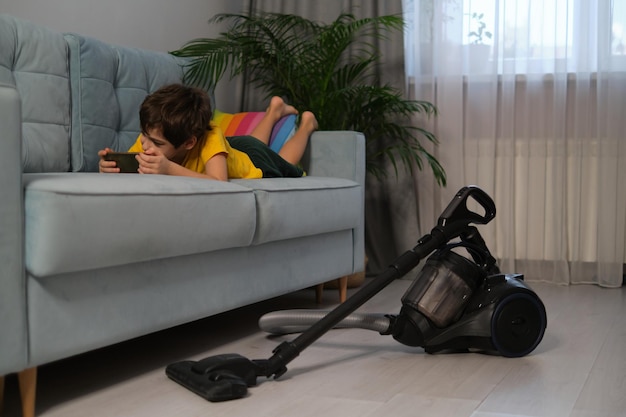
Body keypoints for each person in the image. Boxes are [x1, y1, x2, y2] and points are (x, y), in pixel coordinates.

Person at [98, 84, 318, 180]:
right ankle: (274, 111)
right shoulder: (152, 135)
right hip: (232, 149)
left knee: (284, 163)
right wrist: (112, 168)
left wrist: (168, 168)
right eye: (144, 136)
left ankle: (307, 124)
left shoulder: (211, 137)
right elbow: (135, 167)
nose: (145, 145)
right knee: (251, 144)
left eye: (155, 143)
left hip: (254, 160)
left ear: (189, 142)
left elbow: (218, 181)